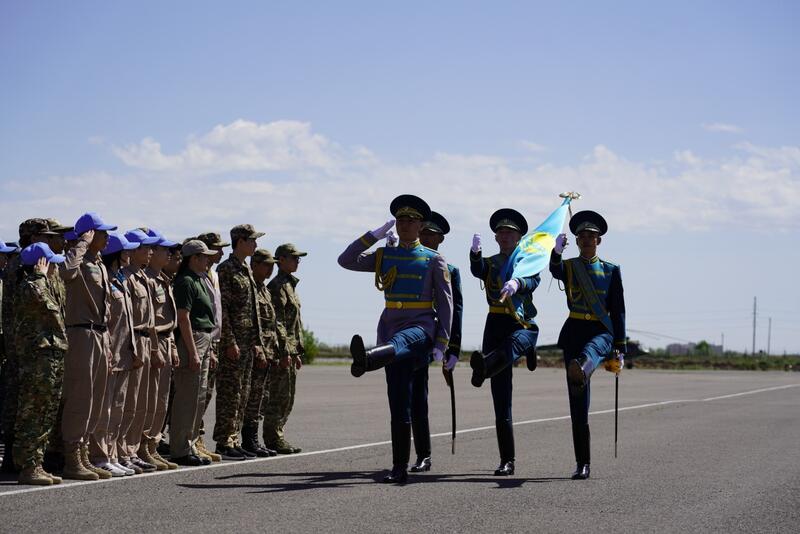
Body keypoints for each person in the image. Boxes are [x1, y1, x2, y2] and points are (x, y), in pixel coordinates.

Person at [338, 194, 454, 484]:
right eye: (400, 220)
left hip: (420, 327)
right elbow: (345, 260)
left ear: (420, 226)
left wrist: (442, 344)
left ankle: (369, 358)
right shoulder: (385, 255)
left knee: (404, 342)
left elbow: (446, 304)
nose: (404, 224)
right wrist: (373, 235)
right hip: (389, 330)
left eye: (410, 220)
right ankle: (399, 466)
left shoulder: (433, 260)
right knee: (399, 401)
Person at [549, 210, 625, 480]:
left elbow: (618, 310)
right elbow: (554, 269)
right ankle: (583, 463)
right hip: (575, 329)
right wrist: (556, 251)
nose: (586, 240)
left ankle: (582, 366)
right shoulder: (569, 267)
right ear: (577, 241)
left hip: (601, 330)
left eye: (591, 237)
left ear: (599, 241)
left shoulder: (611, 270)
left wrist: (620, 346)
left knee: (590, 353)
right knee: (578, 404)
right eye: (582, 237)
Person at [469, 208, 540, 476]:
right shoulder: (491, 261)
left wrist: (517, 283)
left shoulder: (528, 260)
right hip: (495, 323)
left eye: (510, 232)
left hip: (519, 323)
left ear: (519, 237)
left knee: (511, 347)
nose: (504, 235)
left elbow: (532, 281)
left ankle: (487, 366)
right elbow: (478, 270)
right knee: (501, 397)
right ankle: (506, 459)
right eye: (500, 232)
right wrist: (475, 254)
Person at [60, 212, 116, 481]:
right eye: (101, 233)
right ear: (89, 234)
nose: (106, 237)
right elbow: (66, 273)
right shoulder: (77, 259)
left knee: (97, 399)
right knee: (81, 397)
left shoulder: (100, 264)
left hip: (100, 334)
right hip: (80, 334)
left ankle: (83, 453)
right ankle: (72, 456)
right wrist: (81, 244)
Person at [2, 219, 59, 475]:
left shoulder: (35, 268)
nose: (49, 240)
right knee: (24, 407)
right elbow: (39, 305)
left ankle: (28, 459)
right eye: (44, 236)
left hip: (33, 345)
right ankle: (22, 461)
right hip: (25, 346)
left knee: (36, 407)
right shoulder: (21, 269)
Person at [409, 211, 463, 473]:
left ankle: (423, 455)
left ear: (440, 240)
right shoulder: (408, 262)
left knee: (419, 396)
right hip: (407, 334)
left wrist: (453, 348)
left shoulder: (450, 270)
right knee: (406, 396)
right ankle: (415, 454)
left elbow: (456, 310)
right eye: (423, 233)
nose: (426, 238)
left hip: (434, 338)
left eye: (431, 235)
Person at [13, 243, 67, 485]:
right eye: (50, 262)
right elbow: (41, 300)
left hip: (51, 357)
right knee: (34, 413)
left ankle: (37, 462)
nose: (54, 266)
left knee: (46, 413)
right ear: (39, 265)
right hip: (37, 359)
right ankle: (28, 465)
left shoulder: (46, 284)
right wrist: (39, 276)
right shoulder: (31, 285)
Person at [214, 224, 266, 460]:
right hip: (233, 343)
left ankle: (233, 439)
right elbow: (223, 309)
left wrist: (256, 342)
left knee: (242, 393)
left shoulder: (244, 269)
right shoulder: (227, 270)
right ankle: (224, 441)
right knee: (230, 393)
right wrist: (229, 341)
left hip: (247, 343)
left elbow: (252, 310)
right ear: (240, 241)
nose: (256, 244)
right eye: (252, 240)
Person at [90, 233, 141, 477]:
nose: (129, 254)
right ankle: (100, 456)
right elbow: (106, 321)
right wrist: (108, 351)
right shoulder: (107, 281)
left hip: (123, 353)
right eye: (126, 251)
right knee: (105, 408)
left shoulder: (119, 280)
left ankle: (111, 454)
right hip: (111, 353)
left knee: (118, 408)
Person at [169, 240, 218, 466]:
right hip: (193, 339)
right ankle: (180, 448)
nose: (207, 259)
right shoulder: (186, 281)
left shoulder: (200, 280)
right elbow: (183, 318)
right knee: (187, 397)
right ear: (193, 258)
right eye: (203, 256)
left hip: (204, 338)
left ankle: (189, 444)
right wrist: (193, 352)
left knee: (198, 397)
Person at [121, 228, 162, 472]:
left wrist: (155, 348)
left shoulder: (144, 277)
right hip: (133, 340)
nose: (150, 252)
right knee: (127, 401)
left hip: (146, 340)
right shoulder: (126, 277)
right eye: (145, 248)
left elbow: (152, 321)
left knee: (142, 403)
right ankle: (122, 450)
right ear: (132, 250)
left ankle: (133, 449)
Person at [263, 244, 307, 455]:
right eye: (293, 258)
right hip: (282, 351)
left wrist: (297, 351)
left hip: (290, 350)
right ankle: (273, 438)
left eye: (298, 258)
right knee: (278, 396)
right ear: (281, 260)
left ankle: (277, 435)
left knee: (287, 395)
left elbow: (294, 324)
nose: (297, 261)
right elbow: (277, 322)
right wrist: (285, 351)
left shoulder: (290, 285)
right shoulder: (278, 286)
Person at [142, 228, 179, 470]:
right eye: (163, 249)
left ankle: (152, 447)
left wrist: (172, 346)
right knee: (148, 399)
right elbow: (150, 320)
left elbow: (168, 319)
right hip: (153, 342)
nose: (168, 253)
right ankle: (141, 447)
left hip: (166, 341)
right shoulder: (146, 279)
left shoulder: (163, 280)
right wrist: (155, 349)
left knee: (161, 401)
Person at [193, 232, 228, 463]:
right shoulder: (197, 275)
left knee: (206, 393)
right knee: (197, 394)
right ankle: (193, 439)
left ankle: (198, 439)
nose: (221, 252)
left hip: (213, 340)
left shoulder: (212, 274)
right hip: (201, 339)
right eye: (216, 248)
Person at [242, 248, 279, 457]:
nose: (270, 269)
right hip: (256, 351)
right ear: (254, 265)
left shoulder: (263, 289)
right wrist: (258, 347)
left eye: (272, 265)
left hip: (268, 351)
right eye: (266, 264)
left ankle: (253, 439)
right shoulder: (252, 289)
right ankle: (248, 439)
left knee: (261, 397)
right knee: (251, 397)